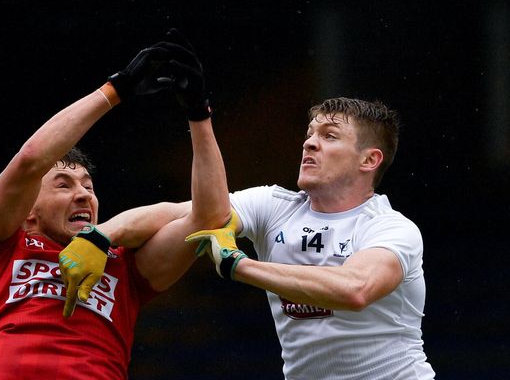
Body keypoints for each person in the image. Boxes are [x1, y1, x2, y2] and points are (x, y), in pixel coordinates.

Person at [0, 30, 230, 380]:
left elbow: (209, 216)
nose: (84, 194)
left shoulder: (123, 266)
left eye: (88, 186)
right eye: (63, 184)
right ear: (27, 212)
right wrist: (117, 89)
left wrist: (198, 112)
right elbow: (31, 160)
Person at [187, 97, 436, 379]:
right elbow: (200, 215)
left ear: (369, 160)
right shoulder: (272, 206)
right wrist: (199, 116)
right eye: (310, 134)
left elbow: (356, 289)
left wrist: (237, 265)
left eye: (329, 136)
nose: (309, 143)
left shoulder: (390, 227)